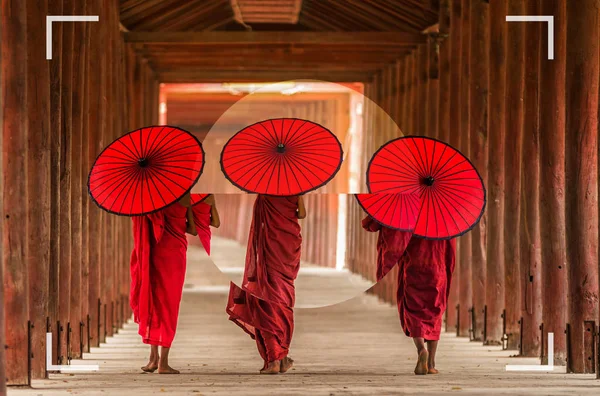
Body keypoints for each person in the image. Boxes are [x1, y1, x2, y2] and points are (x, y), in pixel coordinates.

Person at [362, 215, 455, 375]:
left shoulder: (405, 207)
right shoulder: (441, 213)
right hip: (437, 267)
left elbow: (371, 224)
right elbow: (450, 249)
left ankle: (421, 350)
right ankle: (432, 363)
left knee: (412, 311)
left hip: (413, 264)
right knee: (435, 311)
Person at [226, 194, 306, 374]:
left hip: (269, 250)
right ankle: (281, 356)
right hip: (288, 247)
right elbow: (302, 214)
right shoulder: (296, 189)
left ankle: (275, 360)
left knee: (265, 301)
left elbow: (258, 225)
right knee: (283, 300)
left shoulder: (264, 195)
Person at [130, 192, 197, 374]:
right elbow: (193, 229)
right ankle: (163, 363)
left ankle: (153, 359)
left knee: (153, 301)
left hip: (154, 252)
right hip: (174, 255)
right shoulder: (185, 198)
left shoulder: (150, 198)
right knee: (169, 305)